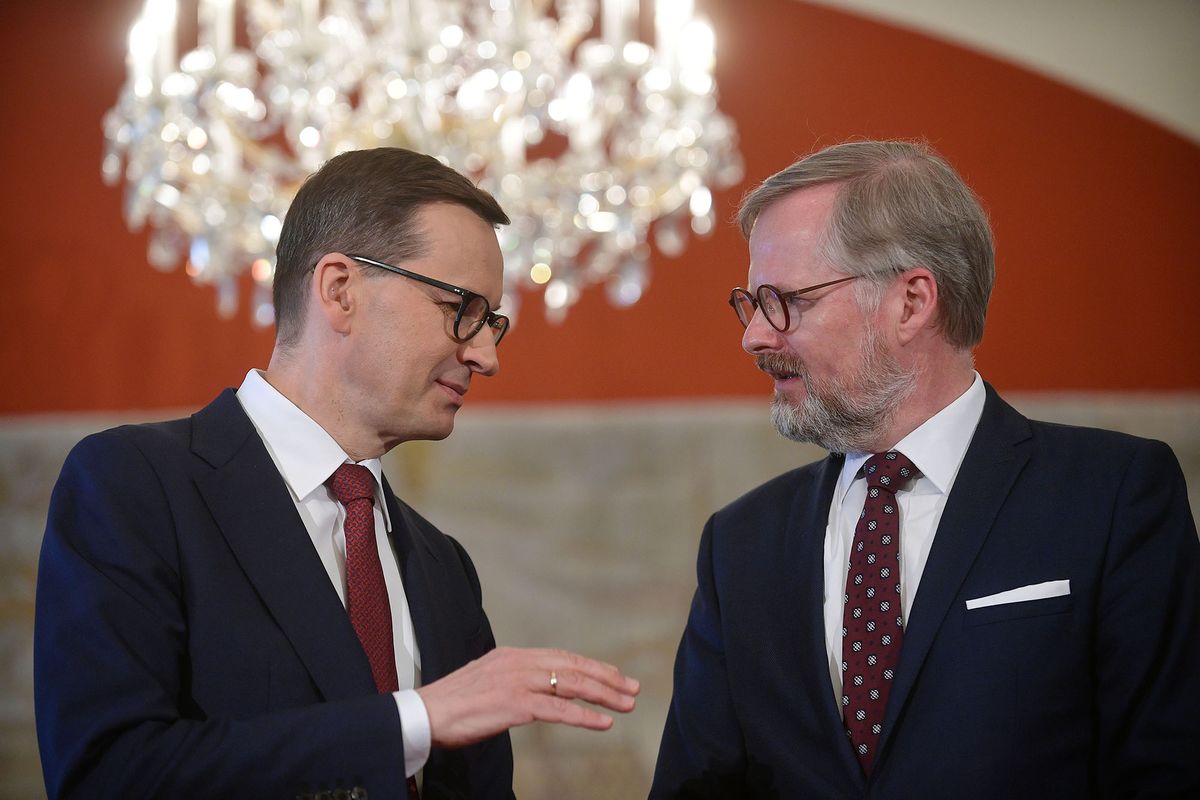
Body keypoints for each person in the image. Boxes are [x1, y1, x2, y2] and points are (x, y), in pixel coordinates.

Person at [35, 147, 639, 800]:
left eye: (493, 321)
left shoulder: (443, 568)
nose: (485, 354)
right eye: (461, 308)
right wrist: (417, 720)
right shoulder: (135, 486)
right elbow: (109, 772)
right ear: (340, 290)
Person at [651, 140, 1200, 797]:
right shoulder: (740, 543)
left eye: (786, 301)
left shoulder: (1113, 496)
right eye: (752, 303)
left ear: (912, 302)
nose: (756, 336)